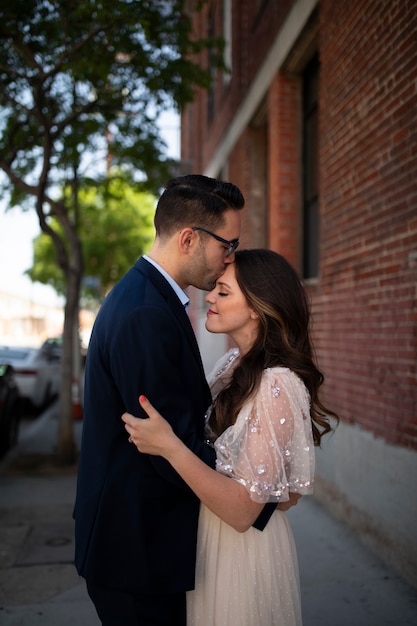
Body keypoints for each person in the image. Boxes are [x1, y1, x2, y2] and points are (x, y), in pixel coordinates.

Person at [73, 175, 280, 626]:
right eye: (228, 244)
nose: (230, 258)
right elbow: (169, 450)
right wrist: (259, 492)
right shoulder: (148, 312)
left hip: (138, 543)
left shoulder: (151, 297)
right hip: (137, 551)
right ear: (189, 238)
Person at [123, 249, 339, 626]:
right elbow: (278, 491)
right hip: (210, 539)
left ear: (257, 307)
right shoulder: (232, 366)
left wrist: (169, 446)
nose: (209, 297)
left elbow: (243, 512)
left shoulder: (277, 383)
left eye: (223, 292)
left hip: (243, 552)